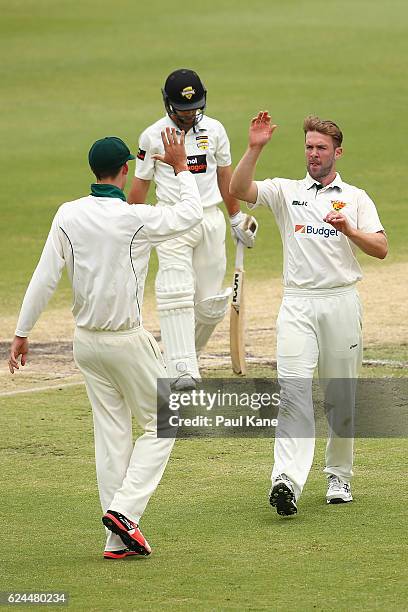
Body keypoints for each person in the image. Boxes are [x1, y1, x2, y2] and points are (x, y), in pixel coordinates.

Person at [8, 130, 203, 557]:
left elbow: (45, 276)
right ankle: (126, 513)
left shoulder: (68, 213)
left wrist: (22, 333)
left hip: (86, 344)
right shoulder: (135, 217)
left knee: (112, 436)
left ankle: (117, 539)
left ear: (94, 171)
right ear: (125, 170)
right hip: (123, 341)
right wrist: (181, 165)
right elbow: (190, 215)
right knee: (169, 418)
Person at [230, 111, 387, 516]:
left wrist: (350, 230)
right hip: (297, 303)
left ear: (338, 151)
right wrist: (254, 147)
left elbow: (381, 248)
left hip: (340, 301)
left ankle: (339, 474)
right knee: (294, 394)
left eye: (321, 148)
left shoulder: (355, 197)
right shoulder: (286, 191)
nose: (313, 154)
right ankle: (286, 480)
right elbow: (238, 187)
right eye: (309, 147)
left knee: (341, 396)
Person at [128, 68, 258, 389]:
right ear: (168, 104)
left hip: (209, 218)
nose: (189, 114)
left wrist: (235, 217)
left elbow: (224, 176)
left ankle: (177, 361)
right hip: (171, 220)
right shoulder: (152, 135)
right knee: (176, 292)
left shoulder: (214, 130)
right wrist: (127, 227)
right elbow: (140, 185)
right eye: (182, 108)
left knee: (211, 304)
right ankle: (183, 369)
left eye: (194, 106)